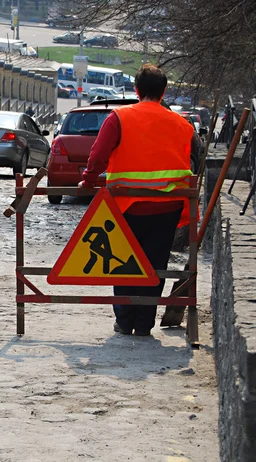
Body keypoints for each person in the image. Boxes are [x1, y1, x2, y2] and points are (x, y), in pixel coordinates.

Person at [79, 63, 194, 337]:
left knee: (124, 262)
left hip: (127, 205)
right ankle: (144, 323)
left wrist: (89, 179)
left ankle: (125, 319)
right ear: (164, 92)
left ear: (136, 89)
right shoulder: (183, 125)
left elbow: (98, 155)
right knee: (155, 265)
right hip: (168, 205)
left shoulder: (119, 118)